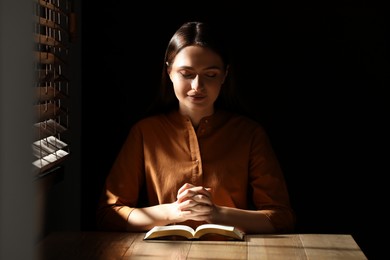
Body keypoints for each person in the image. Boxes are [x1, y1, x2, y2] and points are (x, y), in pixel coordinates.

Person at [96, 21, 295, 234]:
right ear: (169, 72)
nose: (197, 86)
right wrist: (173, 212)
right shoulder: (145, 132)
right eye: (186, 73)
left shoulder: (249, 133)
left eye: (210, 75)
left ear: (225, 75)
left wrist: (217, 214)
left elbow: (281, 217)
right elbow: (109, 214)